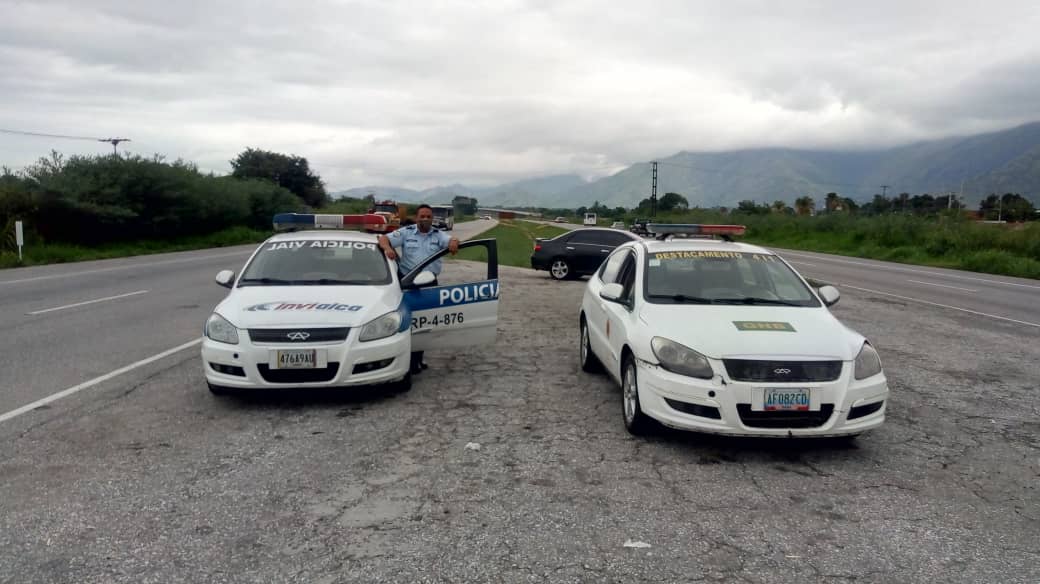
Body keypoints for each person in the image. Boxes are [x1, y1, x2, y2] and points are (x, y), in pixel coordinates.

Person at [378, 204, 460, 374]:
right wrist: (387, 248)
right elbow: (383, 239)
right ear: (416, 218)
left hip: (429, 284)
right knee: (409, 322)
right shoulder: (407, 233)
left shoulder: (438, 235)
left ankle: (418, 359)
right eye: (422, 216)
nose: (425, 219)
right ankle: (408, 360)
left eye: (428, 216)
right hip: (409, 283)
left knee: (426, 323)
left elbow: (452, 240)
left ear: (432, 219)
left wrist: (454, 243)